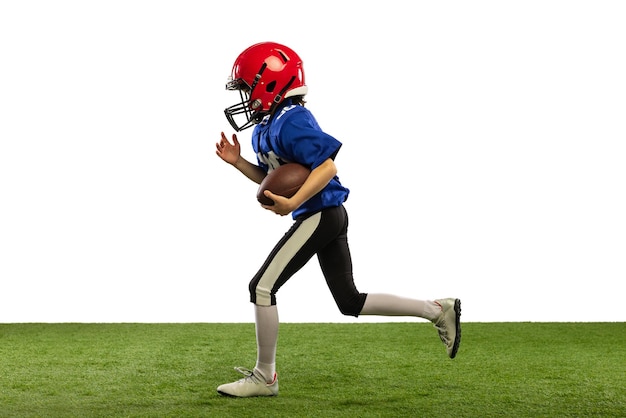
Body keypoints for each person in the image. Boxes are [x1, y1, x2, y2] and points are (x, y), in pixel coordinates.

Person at [214, 42, 461, 397]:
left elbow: (327, 166)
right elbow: (274, 180)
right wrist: (239, 163)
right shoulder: (267, 126)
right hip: (324, 215)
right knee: (350, 301)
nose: (246, 98)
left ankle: (264, 377)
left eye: (248, 88)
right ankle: (438, 310)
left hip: (322, 214)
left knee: (262, 287)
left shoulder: (292, 119)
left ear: (270, 82)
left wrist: (294, 203)